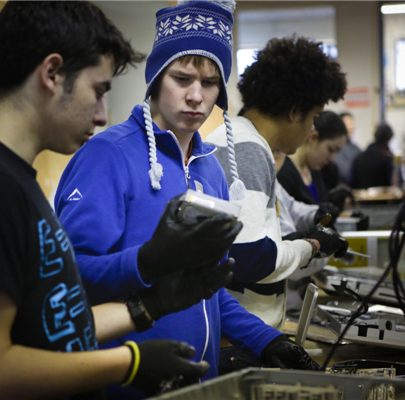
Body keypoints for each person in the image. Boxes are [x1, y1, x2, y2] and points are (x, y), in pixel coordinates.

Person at [0, 2, 236, 399]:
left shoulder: (12, 182)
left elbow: (48, 324)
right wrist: (127, 364)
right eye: (98, 91)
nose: (102, 115)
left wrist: (148, 306)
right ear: (51, 74)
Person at [55, 2, 321, 398]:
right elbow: (68, 279)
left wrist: (266, 340)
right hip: (123, 383)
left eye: (211, 82)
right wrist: (146, 262)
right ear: (157, 78)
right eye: (182, 79)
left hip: (201, 386)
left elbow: (206, 289)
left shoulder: (211, 170)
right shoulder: (107, 156)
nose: (197, 96)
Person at [204, 36, 349, 331]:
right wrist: (312, 244)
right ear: (294, 111)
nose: (311, 129)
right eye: (313, 118)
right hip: (241, 334)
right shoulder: (247, 150)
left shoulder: (243, 141)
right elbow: (251, 259)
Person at [350, 123, 395, 189]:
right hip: (382, 198)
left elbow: (352, 183)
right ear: (388, 140)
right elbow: (391, 184)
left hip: (360, 197)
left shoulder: (359, 157)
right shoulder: (387, 159)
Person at [333, 111, 362, 185]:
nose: (351, 127)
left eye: (352, 123)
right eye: (348, 124)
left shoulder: (356, 148)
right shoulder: (334, 148)